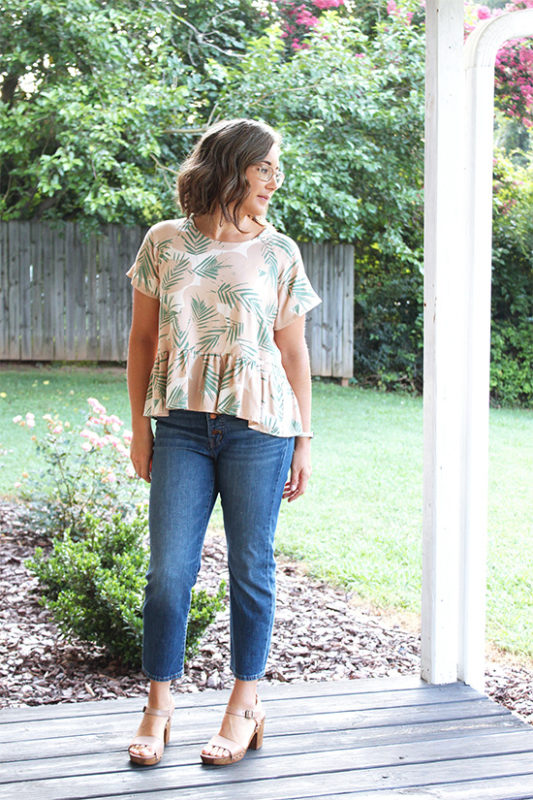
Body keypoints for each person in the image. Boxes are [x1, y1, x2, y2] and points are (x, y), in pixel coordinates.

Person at [125, 118, 321, 767]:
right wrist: (139, 429)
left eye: (275, 169)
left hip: (260, 428)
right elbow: (143, 342)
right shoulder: (165, 242)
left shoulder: (279, 251)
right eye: (264, 166)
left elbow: (293, 352)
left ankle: (245, 706)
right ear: (231, 167)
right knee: (167, 576)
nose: (275, 179)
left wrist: (303, 439)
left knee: (251, 570)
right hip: (180, 425)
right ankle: (159, 706)